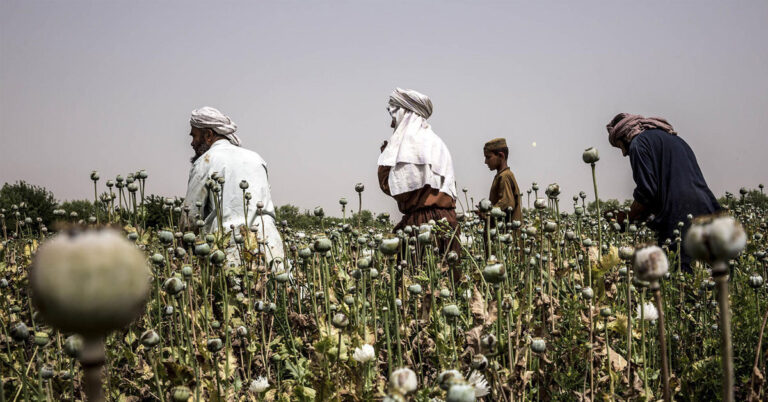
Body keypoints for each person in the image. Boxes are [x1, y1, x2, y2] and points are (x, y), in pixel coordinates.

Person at [607, 112, 721, 272]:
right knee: (713, 273)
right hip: (707, 208)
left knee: (680, 276)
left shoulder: (638, 144)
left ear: (624, 135)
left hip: (679, 215)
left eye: (619, 146)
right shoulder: (673, 139)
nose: (623, 153)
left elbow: (647, 193)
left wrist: (625, 218)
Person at [182, 106, 285, 269]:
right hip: (271, 250)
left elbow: (191, 219)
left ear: (208, 135)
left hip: (231, 252)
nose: (192, 143)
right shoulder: (256, 158)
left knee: (235, 293)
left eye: (194, 136)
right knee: (273, 294)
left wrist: (182, 255)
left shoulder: (206, 161)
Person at [377, 88, 460, 253]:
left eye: (394, 118)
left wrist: (386, 162)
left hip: (423, 225)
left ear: (404, 115)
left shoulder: (409, 146)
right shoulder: (437, 142)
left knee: (420, 274)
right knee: (447, 275)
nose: (392, 124)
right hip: (448, 223)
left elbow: (397, 189)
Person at [483, 138, 522, 223]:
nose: (485, 162)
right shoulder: (501, 175)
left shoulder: (505, 176)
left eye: (488, 157)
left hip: (506, 232)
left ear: (501, 156)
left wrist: (486, 213)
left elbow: (507, 203)